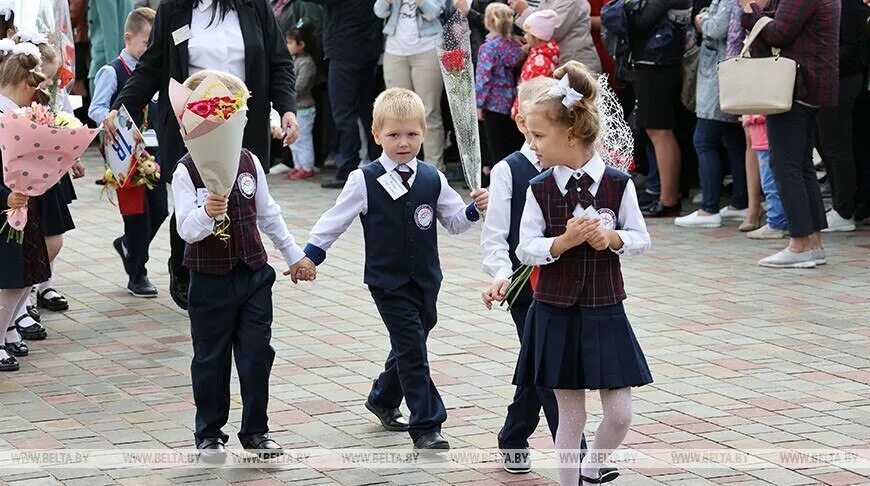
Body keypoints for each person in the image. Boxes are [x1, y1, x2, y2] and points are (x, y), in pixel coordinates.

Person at [303, 88, 489, 449]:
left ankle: (384, 398)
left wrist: (473, 208)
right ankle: (427, 426)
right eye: (393, 135)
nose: (403, 143)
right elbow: (334, 220)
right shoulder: (364, 179)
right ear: (376, 135)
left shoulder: (432, 177)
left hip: (427, 280)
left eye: (412, 134)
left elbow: (453, 221)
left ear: (424, 133)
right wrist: (311, 255)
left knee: (413, 342)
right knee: (413, 351)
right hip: (387, 282)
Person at [105, 0, 299, 310]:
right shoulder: (174, 9)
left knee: (239, 197)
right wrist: (121, 104)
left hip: (242, 123)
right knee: (195, 195)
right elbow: (153, 65)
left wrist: (287, 108)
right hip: (189, 124)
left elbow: (280, 63)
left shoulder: (254, 7)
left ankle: (239, 273)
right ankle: (185, 266)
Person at [513, 61, 652, 486]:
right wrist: (563, 242)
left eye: (538, 135)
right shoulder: (539, 187)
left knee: (620, 412)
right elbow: (525, 247)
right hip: (554, 312)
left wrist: (610, 238)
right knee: (569, 417)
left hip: (604, 309)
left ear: (570, 134)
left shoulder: (618, 183)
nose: (532, 144)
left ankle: (594, 466)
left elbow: (641, 237)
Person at [172, 69, 315, 463]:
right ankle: (209, 433)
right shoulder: (186, 170)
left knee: (256, 355)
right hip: (209, 280)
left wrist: (294, 255)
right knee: (210, 358)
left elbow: (268, 215)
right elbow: (186, 229)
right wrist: (206, 212)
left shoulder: (250, 161)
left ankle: (256, 430)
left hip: (253, 275)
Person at [741, 0, 840, 268]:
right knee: (802, 166)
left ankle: (799, 244)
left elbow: (778, 32)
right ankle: (813, 242)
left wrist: (751, 9)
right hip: (808, 85)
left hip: (795, 87)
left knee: (785, 166)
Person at [89, 7, 167, 297]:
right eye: (147, 43)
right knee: (136, 215)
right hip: (126, 154)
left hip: (155, 152)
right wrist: (110, 118)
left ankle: (128, 247)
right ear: (128, 37)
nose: (150, 50)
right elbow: (96, 108)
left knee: (159, 210)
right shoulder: (112, 71)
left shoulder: (157, 71)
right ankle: (138, 274)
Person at [674, 0, 748, 229]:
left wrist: (702, 20)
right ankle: (740, 202)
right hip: (726, 72)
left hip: (720, 72)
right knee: (732, 140)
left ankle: (709, 208)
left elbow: (717, 27)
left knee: (704, 140)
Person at [0, 48, 50, 371]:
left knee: (28, 276)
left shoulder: (19, 116)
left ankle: (4, 333)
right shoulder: (7, 118)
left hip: (22, 205)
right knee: (11, 280)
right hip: (6, 207)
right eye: (33, 88)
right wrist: (4, 198)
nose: (36, 96)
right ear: (21, 83)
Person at [628, 0, 692, 218]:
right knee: (654, 129)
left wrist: (627, 6)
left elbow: (640, 21)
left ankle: (669, 199)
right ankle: (666, 196)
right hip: (654, 63)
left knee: (659, 130)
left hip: (659, 64)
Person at [309, 0, 383, 189]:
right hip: (368, 49)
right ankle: (378, 164)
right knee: (368, 111)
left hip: (344, 49)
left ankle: (347, 168)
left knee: (343, 113)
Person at [816, 0, 870, 232]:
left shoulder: (851, 8)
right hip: (835, 79)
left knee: (836, 144)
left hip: (843, 80)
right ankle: (843, 204)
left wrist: (820, 61)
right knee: (827, 142)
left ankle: (843, 209)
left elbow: (848, 50)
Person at [375, 0, 447, 171]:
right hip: (395, 50)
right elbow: (379, 11)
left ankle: (434, 168)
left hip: (427, 48)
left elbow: (433, 12)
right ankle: (396, 167)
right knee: (394, 110)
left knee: (429, 110)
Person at [475, 3, 523, 170]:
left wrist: (479, 104)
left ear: (488, 22)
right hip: (510, 101)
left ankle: (498, 181)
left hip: (492, 104)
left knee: (496, 147)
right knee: (511, 144)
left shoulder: (487, 48)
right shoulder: (512, 46)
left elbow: (483, 78)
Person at [509, 0, 601, 72]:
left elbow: (550, 32)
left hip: (576, 66)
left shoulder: (570, 1)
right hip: (562, 65)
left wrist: (524, 11)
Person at [284, 20, 321, 180]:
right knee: (292, 140)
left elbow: (300, 87)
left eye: (290, 42)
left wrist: (284, 91)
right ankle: (297, 165)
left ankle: (307, 167)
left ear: (301, 44)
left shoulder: (307, 63)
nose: (287, 45)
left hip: (304, 108)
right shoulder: (291, 60)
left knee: (303, 139)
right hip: (293, 108)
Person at [744, 114, 788, 239]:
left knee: (770, 185)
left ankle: (776, 223)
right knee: (774, 184)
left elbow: (766, 111)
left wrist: (750, 118)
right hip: (763, 140)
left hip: (764, 140)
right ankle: (783, 222)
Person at [511, 9, 560, 118]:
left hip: (531, 115)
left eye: (527, 34)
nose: (525, 37)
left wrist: (517, 110)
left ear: (536, 37)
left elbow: (529, 91)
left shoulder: (540, 62)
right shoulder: (538, 55)